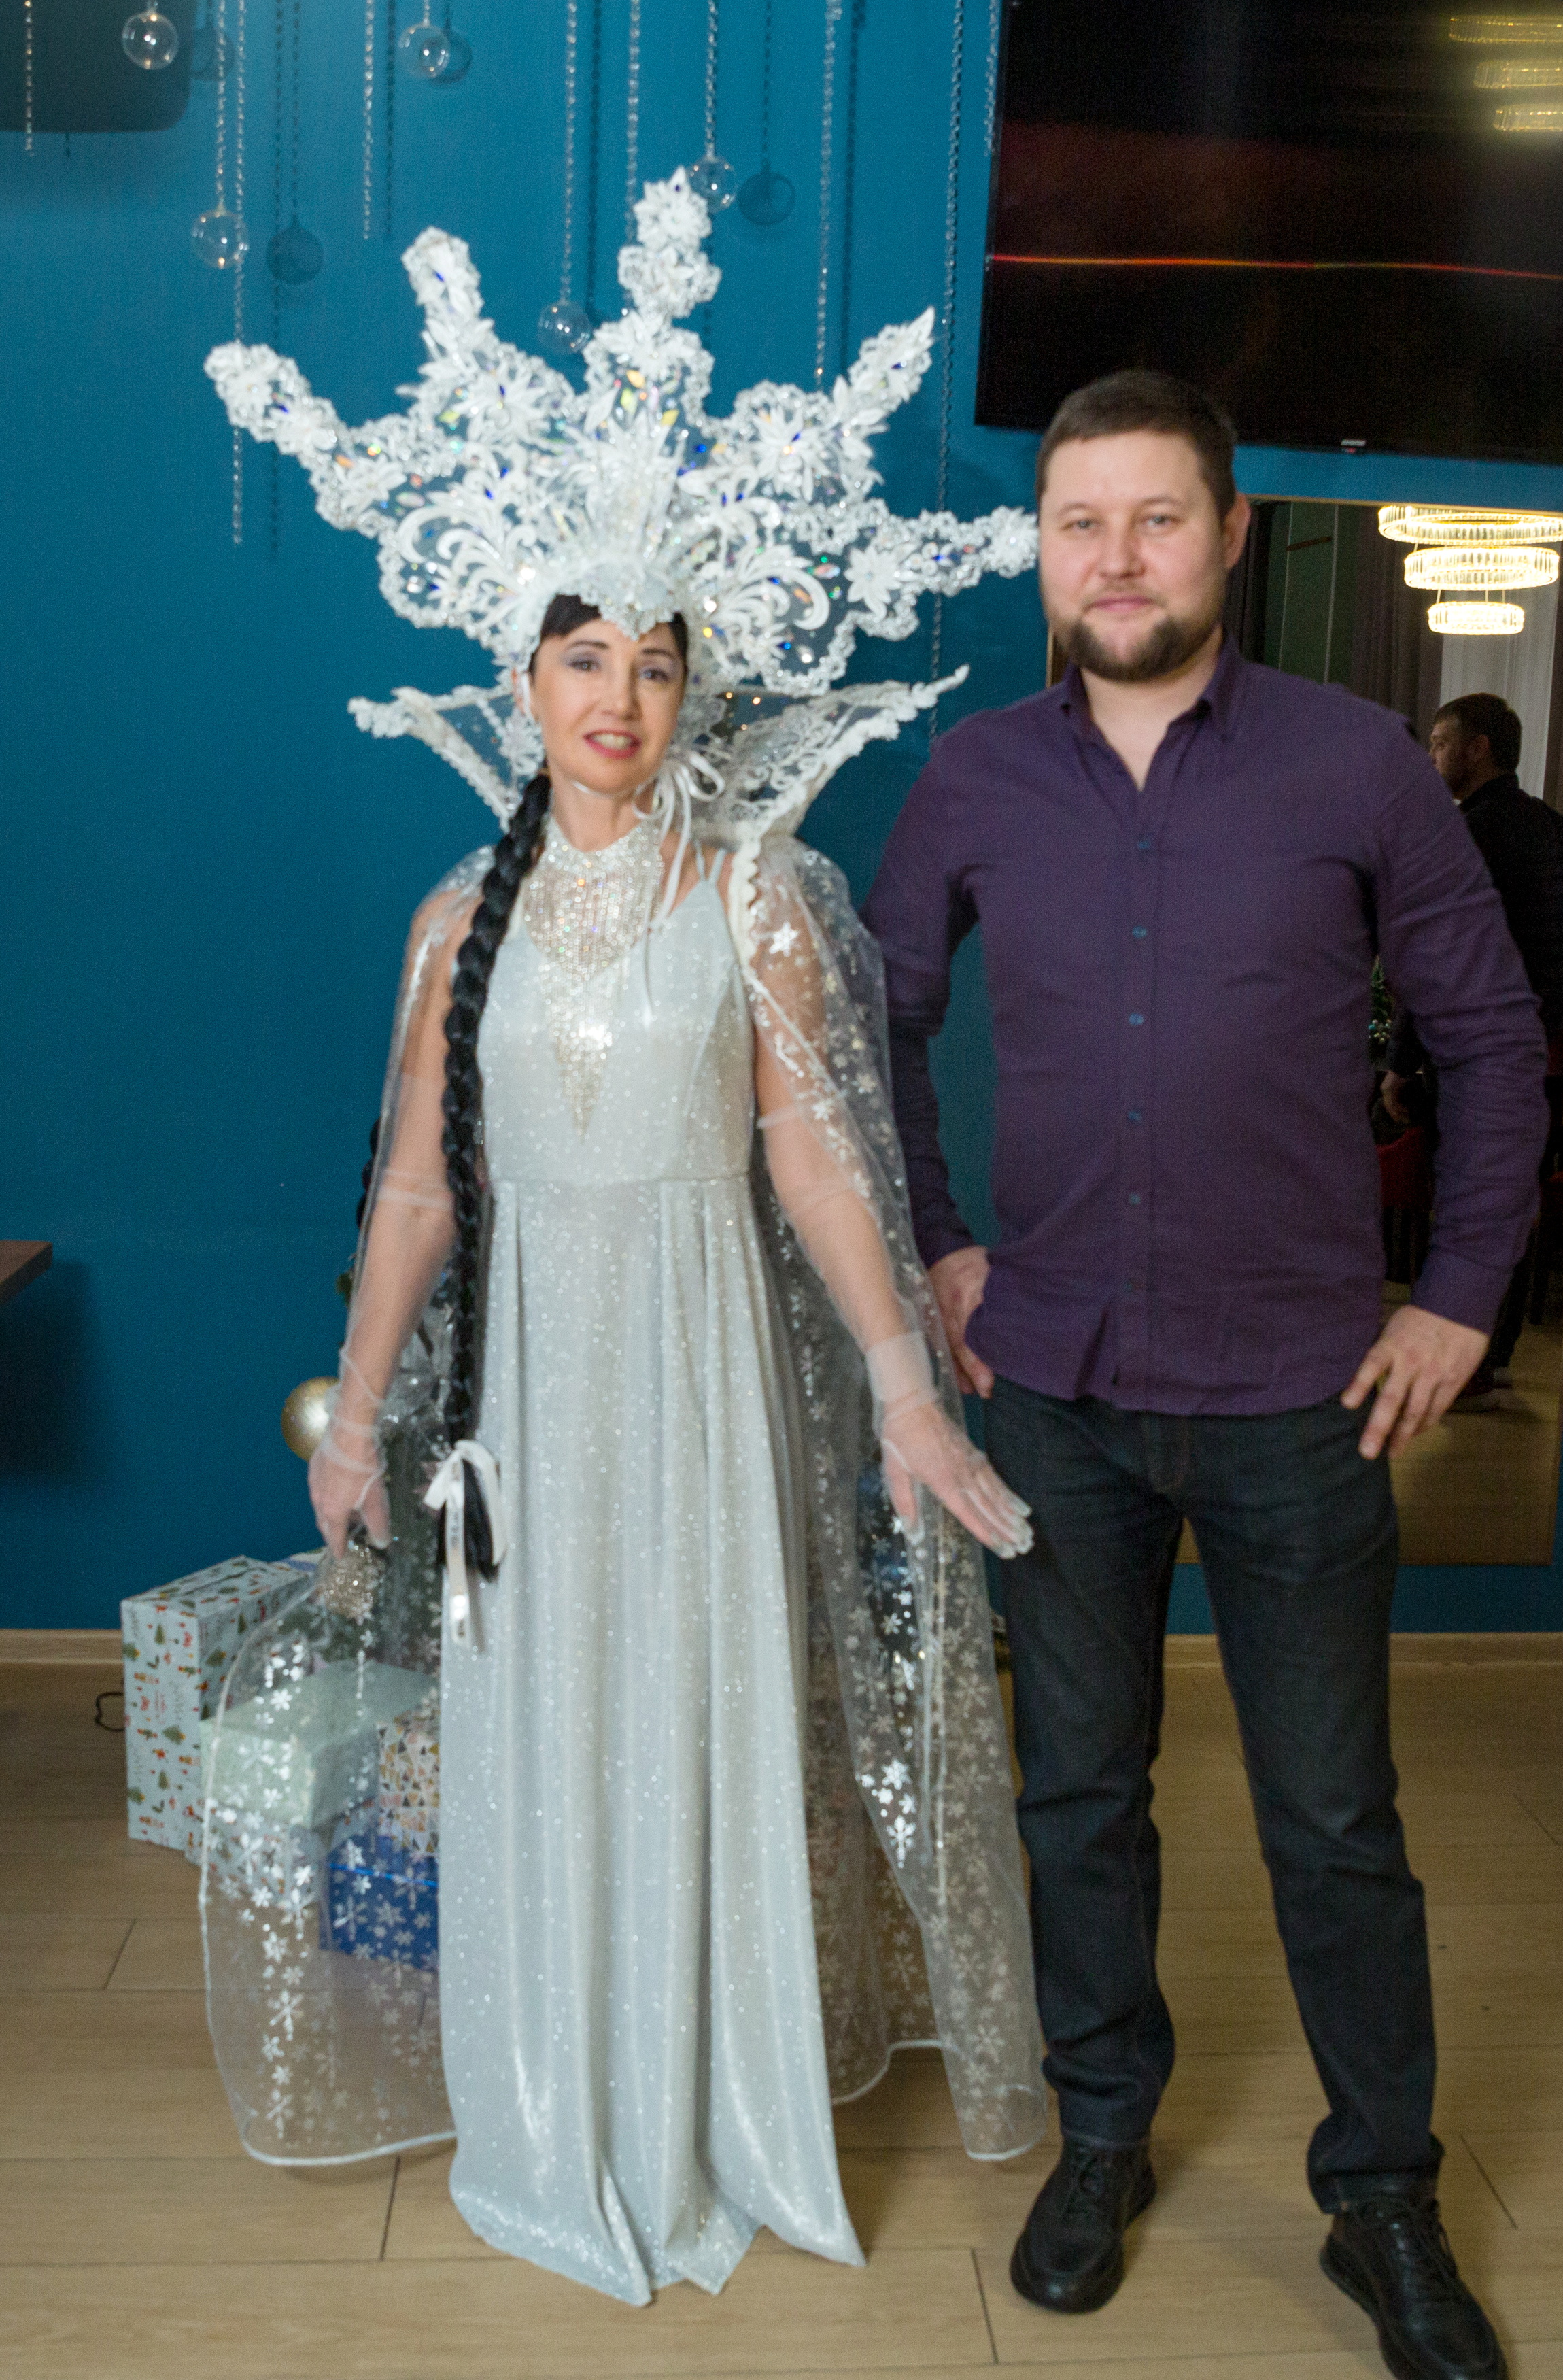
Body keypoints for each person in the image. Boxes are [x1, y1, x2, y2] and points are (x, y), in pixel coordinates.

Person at [194, 177, 1048, 2307]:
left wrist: (901, 1386)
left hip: (695, 1368)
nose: (622, 696)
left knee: (693, 1715)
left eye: (656, 664)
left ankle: (698, 2106)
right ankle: (553, 2102)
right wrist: (359, 1412)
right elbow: (415, 1185)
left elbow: (819, 1163)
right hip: (528, 1395)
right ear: (525, 671)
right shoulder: (449, 921)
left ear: (689, 690)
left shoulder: (753, 895)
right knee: (540, 1722)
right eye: (586, 657)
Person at [864, 369, 1543, 2380]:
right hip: (1054, 1394)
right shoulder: (974, 778)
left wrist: (1461, 1296)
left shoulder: (1357, 766)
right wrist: (938, 1238)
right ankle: (1102, 2137)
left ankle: (1379, 2190)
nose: (1116, 558)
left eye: (1154, 518)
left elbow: (1489, 1039)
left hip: (1301, 1396)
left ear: (1229, 535)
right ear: (1041, 549)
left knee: (1331, 1815)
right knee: (1077, 1793)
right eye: (1078, 523)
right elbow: (865, 1029)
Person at [1382, 695, 1563, 1399]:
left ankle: (1451, 1364)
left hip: (1469, 1052)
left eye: (1439, 743)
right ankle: (1486, 1357)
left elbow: (1432, 955)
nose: (1430, 758)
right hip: (1538, 1054)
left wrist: (1400, 1061)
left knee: (1459, 1213)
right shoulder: (1557, 831)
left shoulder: (1465, 836)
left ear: (1476, 749)